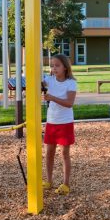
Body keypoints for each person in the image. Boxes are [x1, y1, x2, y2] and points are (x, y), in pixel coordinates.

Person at [42, 54, 77, 195]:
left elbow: (69, 103)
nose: (54, 68)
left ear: (65, 67)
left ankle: (66, 184)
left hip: (65, 123)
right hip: (51, 122)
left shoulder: (71, 83)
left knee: (64, 154)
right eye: (52, 65)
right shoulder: (49, 80)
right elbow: (38, 81)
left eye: (57, 65)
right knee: (49, 153)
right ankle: (48, 181)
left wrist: (52, 98)